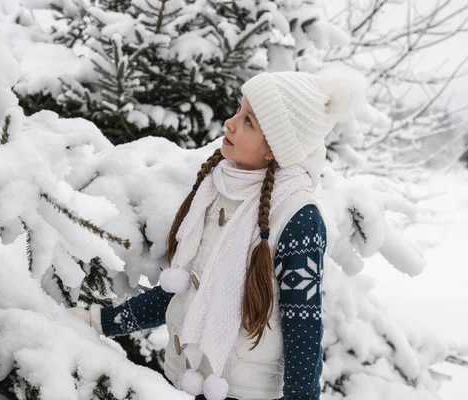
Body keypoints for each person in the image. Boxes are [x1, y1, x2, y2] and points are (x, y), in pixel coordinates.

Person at [70, 63, 367, 400]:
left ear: (275, 149)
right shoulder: (215, 191)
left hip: (244, 392)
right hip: (184, 381)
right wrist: (101, 322)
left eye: (248, 121)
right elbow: (180, 291)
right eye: (239, 111)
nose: (230, 123)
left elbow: (303, 325)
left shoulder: (297, 217)